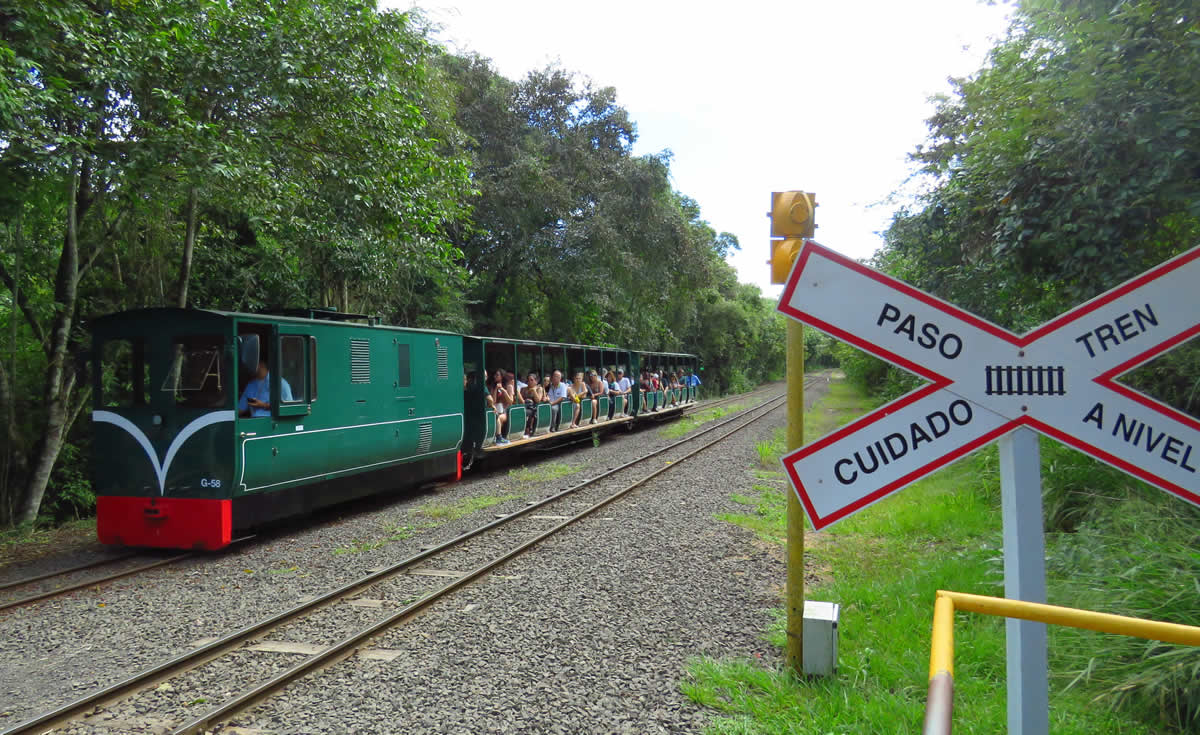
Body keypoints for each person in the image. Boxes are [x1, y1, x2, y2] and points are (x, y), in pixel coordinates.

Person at [492, 371, 515, 444]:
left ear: (502, 376)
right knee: (495, 416)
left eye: (497, 375)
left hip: (506, 411)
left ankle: (499, 438)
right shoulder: (494, 387)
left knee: (498, 418)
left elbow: (510, 401)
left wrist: (503, 390)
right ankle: (493, 437)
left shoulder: (509, 386)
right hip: (497, 410)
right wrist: (496, 389)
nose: (495, 376)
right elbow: (493, 401)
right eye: (495, 375)